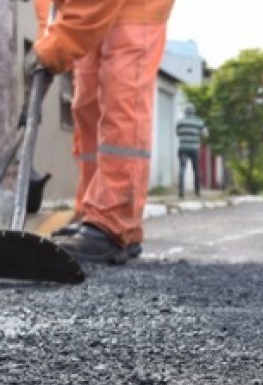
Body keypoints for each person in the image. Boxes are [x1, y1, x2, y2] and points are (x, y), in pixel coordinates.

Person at [29, 0, 175, 264]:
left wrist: (53, 51)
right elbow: (49, 12)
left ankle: (113, 221)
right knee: (86, 106)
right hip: (88, 13)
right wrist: (47, 49)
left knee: (122, 102)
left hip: (135, 10)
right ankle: (92, 212)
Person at [176, 104, 206, 198]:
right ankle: (197, 192)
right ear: (194, 111)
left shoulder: (180, 122)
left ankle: (181, 192)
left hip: (183, 148)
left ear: (185, 111)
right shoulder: (199, 122)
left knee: (182, 169)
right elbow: (205, 134)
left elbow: (177, 133)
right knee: (196, 170)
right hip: (194, 148)